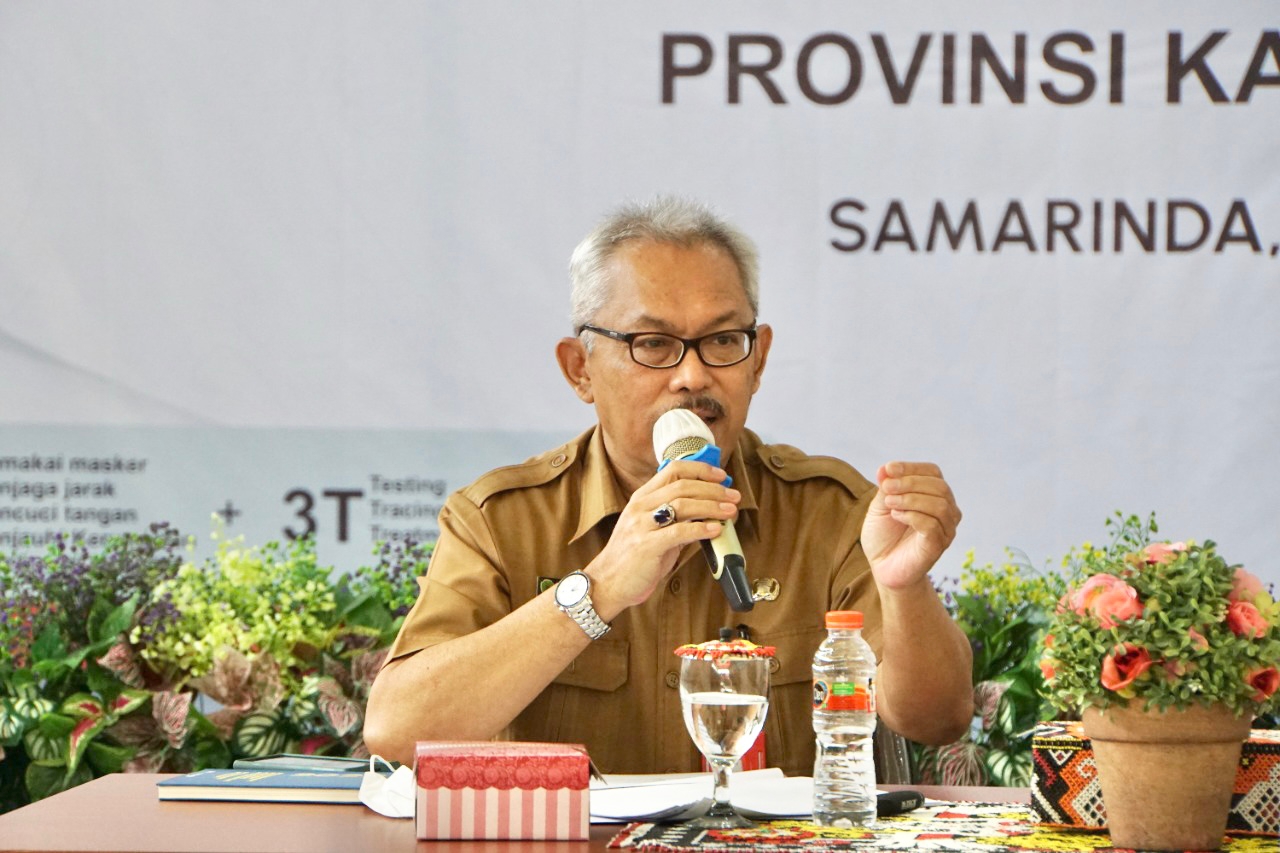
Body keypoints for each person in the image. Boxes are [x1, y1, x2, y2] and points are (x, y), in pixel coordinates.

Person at [364, 197, 972, 776]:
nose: (692, 375)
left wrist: (906, 588)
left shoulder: (830, 512)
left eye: (722, 341)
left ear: (757, 361)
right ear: (581, 369)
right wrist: (596, 590)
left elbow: (937, 720)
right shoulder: (501, 520)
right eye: (653, 344)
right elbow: (398, 729)